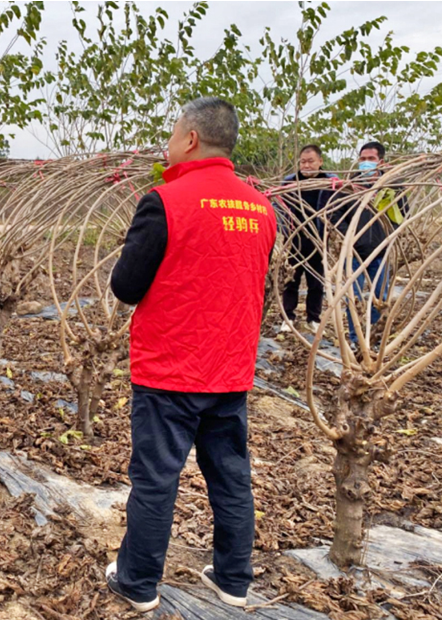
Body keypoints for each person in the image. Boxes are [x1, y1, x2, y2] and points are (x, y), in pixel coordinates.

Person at [106, 98, 277, 612]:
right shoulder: (262, 208)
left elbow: (126, 286)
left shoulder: (165, 201)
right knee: (231, 478)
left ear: (192, 138)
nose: (168, 144)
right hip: (231, 368)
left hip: (171, 369)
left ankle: (137, 583)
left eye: (173, 133)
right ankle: (234, 579)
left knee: (156, 480)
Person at [333, 141, 407, 343]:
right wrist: (349, 236)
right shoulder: (349, 187)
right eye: (363, 159)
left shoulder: (392, 187)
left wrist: (387, 234)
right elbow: (335, 215)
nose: (366, 163)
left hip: (380, 252)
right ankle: (356, 338)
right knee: (353, 297)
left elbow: (403, 215)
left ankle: (373, 338)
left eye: (371, 159)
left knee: (380, 297)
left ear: (380, 162)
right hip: (354, 253)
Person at [279, 144, 338, 333]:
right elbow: (279, 208)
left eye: (311, 161)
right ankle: (288, 318)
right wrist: (284, 230)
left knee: (316, 282)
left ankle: (313, 319)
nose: (306, 165)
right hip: (294, 240)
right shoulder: (289, 182)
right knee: (290, 280)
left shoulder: (330, 183)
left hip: (318, 239)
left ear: (320, 162)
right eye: (303, 162)